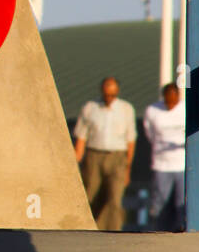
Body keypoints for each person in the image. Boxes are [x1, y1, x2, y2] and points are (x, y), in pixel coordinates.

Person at [73, 76, 136, 231]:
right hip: (94, 155)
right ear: (102, 92)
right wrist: (75, 162)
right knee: (91, 195)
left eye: (112, 95)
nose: (109, 98)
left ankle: (112, 231)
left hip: (117, 157)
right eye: (107, 94)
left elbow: (131, 140)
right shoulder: (90, 108)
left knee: (114, 198)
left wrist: (128, 168)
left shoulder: (126, 109)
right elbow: (81, 137)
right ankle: (88, 229)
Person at [143, 82, 186, 231]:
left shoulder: (185, 109)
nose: (171, 104)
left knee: (181, 200)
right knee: (161, 200)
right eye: (168, 101)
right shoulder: (152, 110)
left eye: (174, 101)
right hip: (161, 164)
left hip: (182, 164)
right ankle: (160, 229)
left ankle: (180, 229)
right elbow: (149, 133)